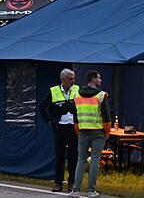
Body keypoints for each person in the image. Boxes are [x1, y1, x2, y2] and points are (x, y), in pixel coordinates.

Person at [69, 70, 112, 198]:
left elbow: (75, 116)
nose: (100, 80)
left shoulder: (76, 94)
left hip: (82, 131)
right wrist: (107, 131)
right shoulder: (101, 95)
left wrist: (78, 130)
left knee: (81, 159)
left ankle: (75, 190)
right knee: (95, 160)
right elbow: (106, 116)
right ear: (93, 79)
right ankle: (91, 190)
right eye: (99, 78)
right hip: (97, 131)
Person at [38, 69, 79, 193]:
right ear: (63, 79)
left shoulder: (77, 90)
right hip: (59, 127)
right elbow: (41, 106)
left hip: (73, 127)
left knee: (73, 156)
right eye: (71, 78)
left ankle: (71, 183)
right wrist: (49, 121)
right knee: (59, 156)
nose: (73, 81)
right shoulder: (54, 91)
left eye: (73, 78)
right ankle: (58, 183)